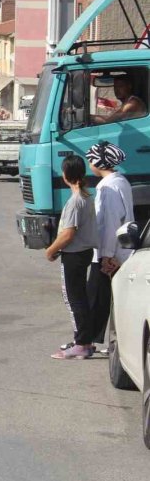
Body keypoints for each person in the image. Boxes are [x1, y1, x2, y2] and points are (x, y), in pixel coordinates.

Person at [45, 154, 99, 360]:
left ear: (66, 175)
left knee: (73, 299)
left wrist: (50, 250)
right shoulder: (86, 197)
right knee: (80, 298)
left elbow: (68, 233)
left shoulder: (76, 201)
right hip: (83, 253)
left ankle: (81, 344)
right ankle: (84, 340)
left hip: (74, 255)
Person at [84, 142, 133, 352]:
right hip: (118, 250)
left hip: (109, 253)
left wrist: (105, 256)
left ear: (97, 161)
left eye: (90, 158)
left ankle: (86, 342)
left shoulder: (108, 187)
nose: (89, 163)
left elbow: (110, 222)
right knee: (112, 299)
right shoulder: (119, 181)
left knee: (96, 299)